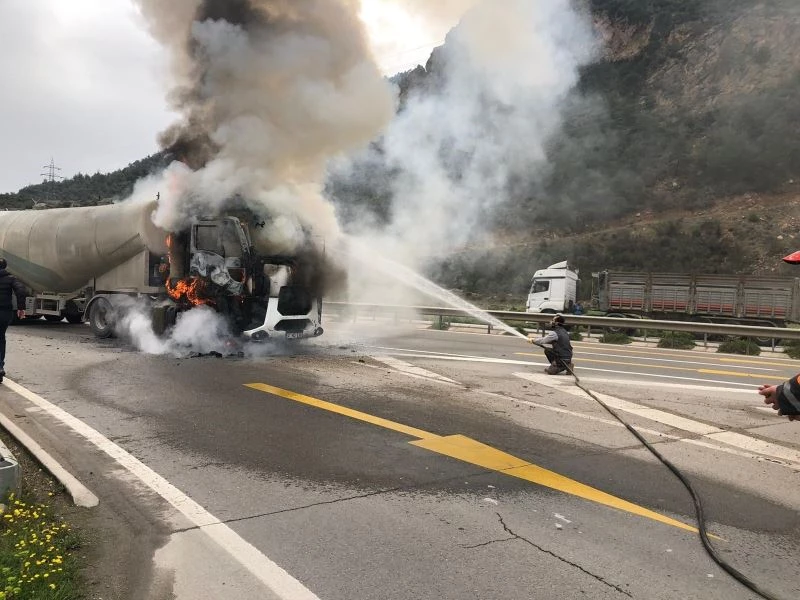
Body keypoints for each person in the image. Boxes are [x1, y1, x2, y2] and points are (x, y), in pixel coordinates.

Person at [0, 258, 28, 383]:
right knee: (1, 338)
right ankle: (0, 366)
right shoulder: (11, 278)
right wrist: (21, 308)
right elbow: (21, 290)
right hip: (5, 313)